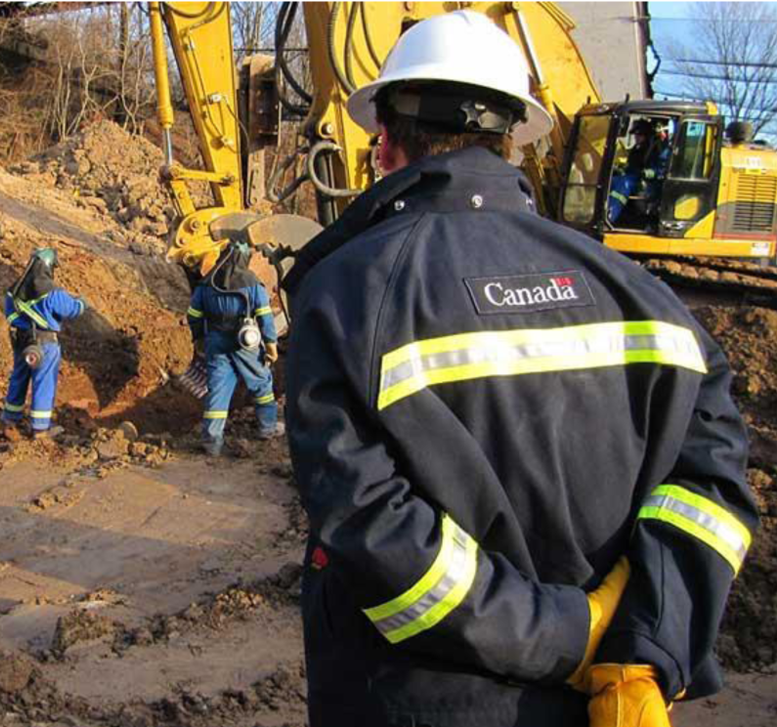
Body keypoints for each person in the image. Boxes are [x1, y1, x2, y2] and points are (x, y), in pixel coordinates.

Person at [282, 11, 757, 727]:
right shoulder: (650, 300)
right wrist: (642, 640)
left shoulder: (348, 295)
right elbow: (712, 489)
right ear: (513, 141)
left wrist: (566, 632)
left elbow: (376, 534)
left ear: (383, 143)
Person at [186, 241, 282, 456]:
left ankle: (212, 442)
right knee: (261, 383)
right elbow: (265, 315)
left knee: (218, 389)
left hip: (215, 342)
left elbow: (193, 315)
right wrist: (271, 344)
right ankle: (267, 428)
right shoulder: (251, 283)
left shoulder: (206, 284)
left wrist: (199, 338)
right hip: (244, 342)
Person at [1, 247, 85, 437]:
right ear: (48, 266)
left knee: (19, 378)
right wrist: (81, 303)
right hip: (45, 343)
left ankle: (9, 419)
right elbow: (70, 309)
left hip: (21, 341)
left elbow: (9, 314)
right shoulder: (51, 291)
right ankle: (40, 429)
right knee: (44, 383)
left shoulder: (14, 290)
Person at [608, 119, 669, 224]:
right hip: (633, 177)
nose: (636, 138)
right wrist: (620, 169)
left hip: (648, 183)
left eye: (639, 135)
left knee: (623, 184)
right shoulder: (637, 149)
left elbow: (661, 170)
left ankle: (610, 217)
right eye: (635, 135)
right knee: (611, 180)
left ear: (646, 135)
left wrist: (647, 173)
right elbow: (631, 166)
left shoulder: (658, 149)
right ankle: (604, 211)